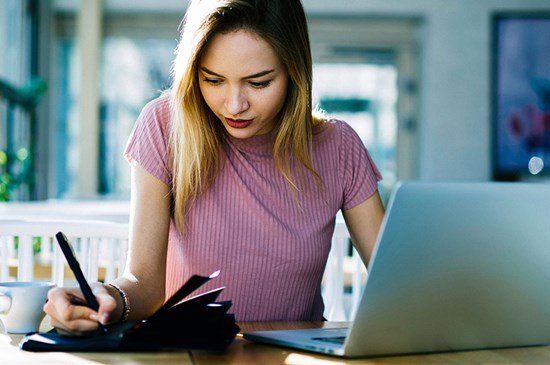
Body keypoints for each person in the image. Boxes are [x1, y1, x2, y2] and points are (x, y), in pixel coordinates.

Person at [44, 0, 385, 335]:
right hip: (190, 357)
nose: (234, 105)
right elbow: (145, 283)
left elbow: (398, 281)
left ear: (295, 72)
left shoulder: (338, 146)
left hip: (298, 358)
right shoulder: (164, 126)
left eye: (259, 82)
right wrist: (109, 297)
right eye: (214, 80)